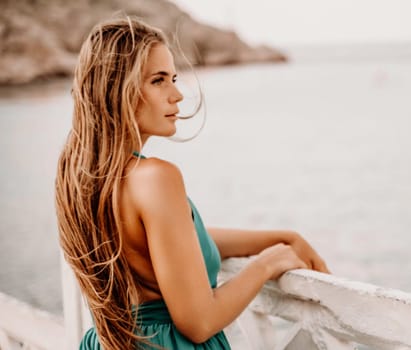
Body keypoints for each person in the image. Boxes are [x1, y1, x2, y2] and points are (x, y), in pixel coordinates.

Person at [55, 16, 329, 350]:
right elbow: (198, 322)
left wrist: (280, 238)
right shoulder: (156, 177)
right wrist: (268, 263)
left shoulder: (81, 178)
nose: (177, 94)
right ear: (118, 89)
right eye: (158, 81)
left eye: (173, 78)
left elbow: (170, 242)